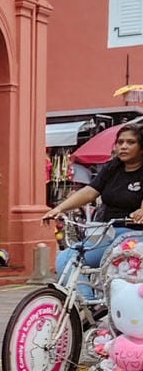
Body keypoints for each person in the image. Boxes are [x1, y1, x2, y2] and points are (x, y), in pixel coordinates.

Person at [44, 122, 143, 291]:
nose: (123, 147)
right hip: (106, 232)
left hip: (134, 236)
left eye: (130, 142)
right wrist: (59, 209)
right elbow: (90, 191)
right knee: (66, 259)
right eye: (120, 142)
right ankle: (87, 305)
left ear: (141, 148)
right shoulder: (112, 168)